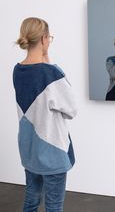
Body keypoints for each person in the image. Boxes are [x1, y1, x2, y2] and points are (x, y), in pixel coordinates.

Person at [12, 17, 77, 212]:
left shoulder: (17, 70)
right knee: (53, 206)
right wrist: (51, 63)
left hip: (29, 148)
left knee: (31, 200)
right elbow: (71, 109)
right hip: (52, 151)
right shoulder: (50, 73)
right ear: (44, 39)